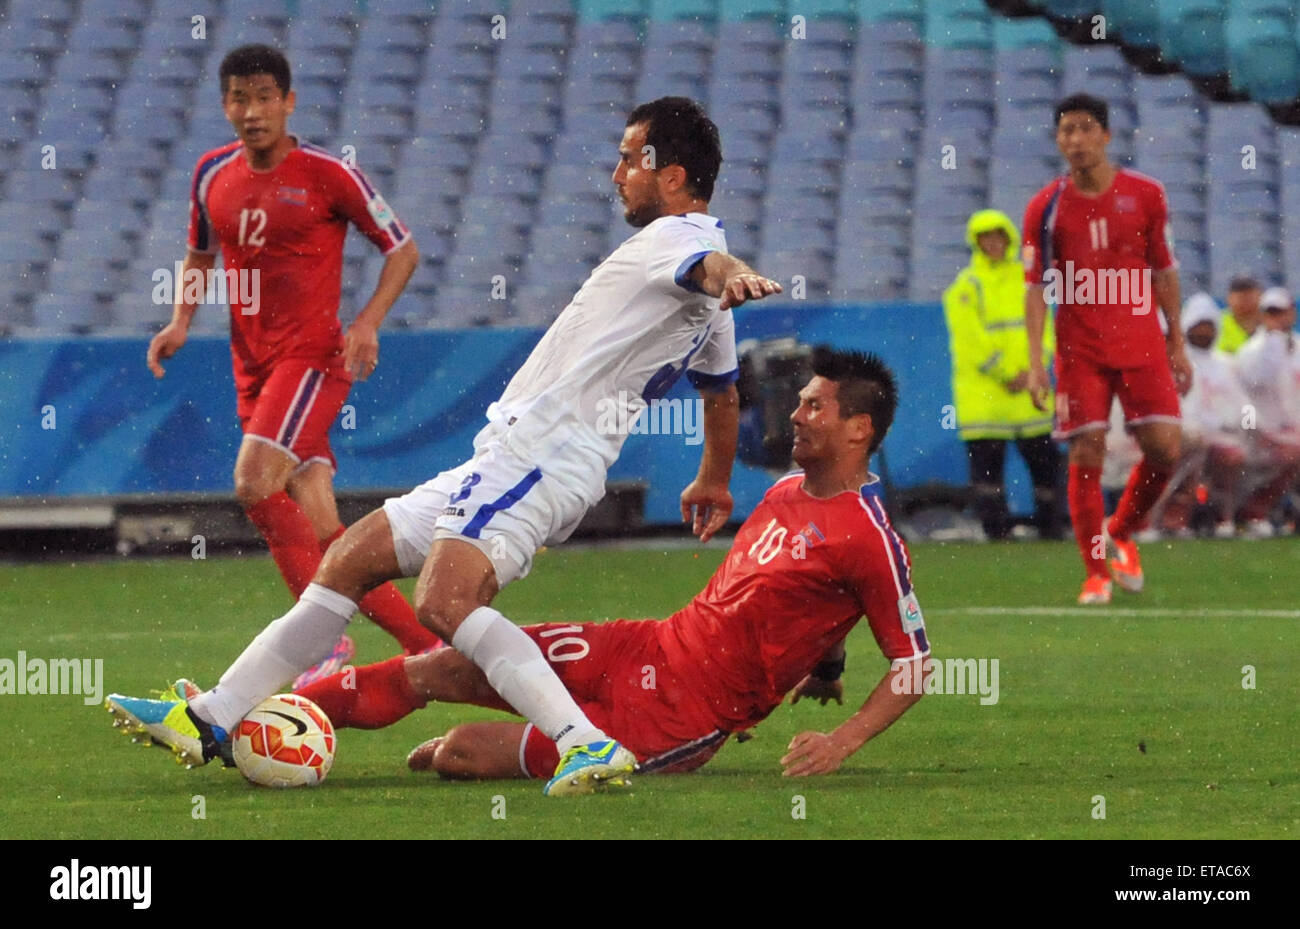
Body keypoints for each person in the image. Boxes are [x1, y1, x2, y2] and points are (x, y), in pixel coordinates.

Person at [108, 96, 784, 796]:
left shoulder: (678, 243)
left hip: (545, 455)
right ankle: (212, 715)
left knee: (444, 601)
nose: (616, 173)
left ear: (669, 175)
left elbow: (708, 264)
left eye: (627, 157)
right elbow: (721, 392)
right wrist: (713, 478)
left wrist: (729, 270)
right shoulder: (695, 280)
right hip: (512, 455)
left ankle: (583, 741)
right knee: (350, 556)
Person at [284, 349, 930, 783]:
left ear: (858, 429)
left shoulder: (871, 535)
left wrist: (840, 741)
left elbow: (914, 664)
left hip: (681, 716)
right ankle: (262, 715)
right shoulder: (787, 489)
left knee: (459, 750)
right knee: (437, 667)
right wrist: (828, 664)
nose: (795, 411)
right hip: (646, 642)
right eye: (800, 400)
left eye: (815, 405)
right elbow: (815, 597)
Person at [144, 45, 438, 681]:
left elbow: (403, 249)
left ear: (288, 101)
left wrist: (365, 323)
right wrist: (180, 321)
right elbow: (199, 257)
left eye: (264, 97)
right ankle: (429, 646)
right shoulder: (209, 174)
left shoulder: (329, 175)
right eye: (238, 99)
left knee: (253, 483)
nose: (251, 112)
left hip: (312, 358)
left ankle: (321, 642)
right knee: (324, 524)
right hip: (250, 364)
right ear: (225, 105)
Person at [1022, 93, 1191, 605]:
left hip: (1141, 344)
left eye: (1085, 128)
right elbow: (1034, 288)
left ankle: (1122, 529)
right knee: (1086, 452)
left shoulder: (1146, 195)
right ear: (1058, 140)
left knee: (1166, 449)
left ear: (1106, 135)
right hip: (1079, 351)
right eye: (1066, 130)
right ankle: (1096, 571)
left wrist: (1176, 339)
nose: (1075, 139)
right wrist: (1036, 364)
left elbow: (1163, 270)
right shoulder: (1045, 207)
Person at [943, 208, 1061, 540]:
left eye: (999, 237)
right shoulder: (966, 286)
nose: (993, 244)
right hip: (986, 396)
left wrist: (1036, 367)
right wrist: (1008, 372)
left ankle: (1051, 530)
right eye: (986, 238)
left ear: (1008, 239)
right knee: (987, 470)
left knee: (1046, 465)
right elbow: (970, 340)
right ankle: (997, 534)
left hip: (1028, 389)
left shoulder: (1027, 281)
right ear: (975, 243)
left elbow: (1046, 327)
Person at [1233, 287, 1300, 537]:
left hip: (1290, 433)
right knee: (1292, 454)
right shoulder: (1251, 353)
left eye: (1281, 312)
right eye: (1271, 312)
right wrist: (1255, 431)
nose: (1278, 318)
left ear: (1292, 312)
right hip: (1262, 435)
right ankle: (1254, 512)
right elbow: (1245, 399)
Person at [1216, 275, 1263, 354]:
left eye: (1249, 293)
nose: (1245, 298)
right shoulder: (1216, 323)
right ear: (1229, 298)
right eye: (1240, 294)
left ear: (1260, 296)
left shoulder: (1271, 321)